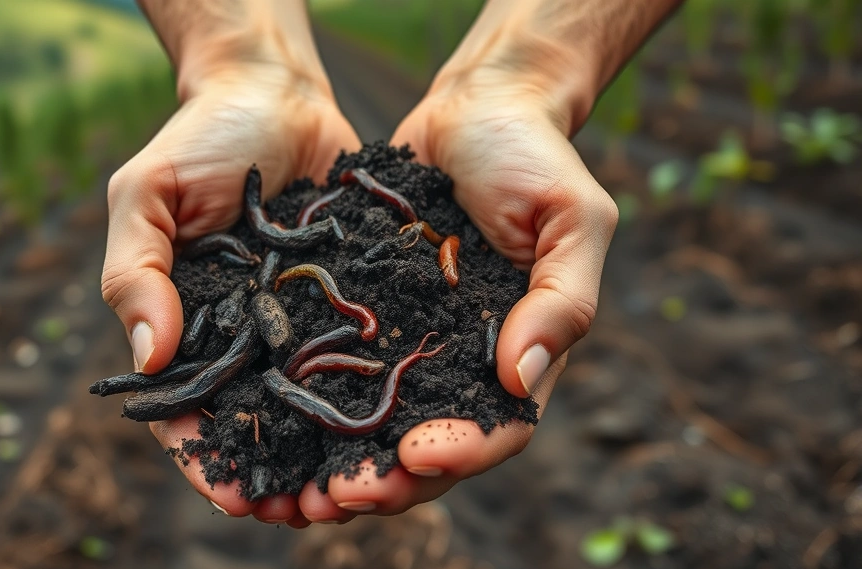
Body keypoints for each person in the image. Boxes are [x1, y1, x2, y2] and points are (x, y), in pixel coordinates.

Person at [101, 0, 683, 526]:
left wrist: (521, 76)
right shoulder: (275, 285)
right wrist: (241, 64)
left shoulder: (405, 258)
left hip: (315, 308)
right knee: (282, 321)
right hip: (289, 298)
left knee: (311, 337)